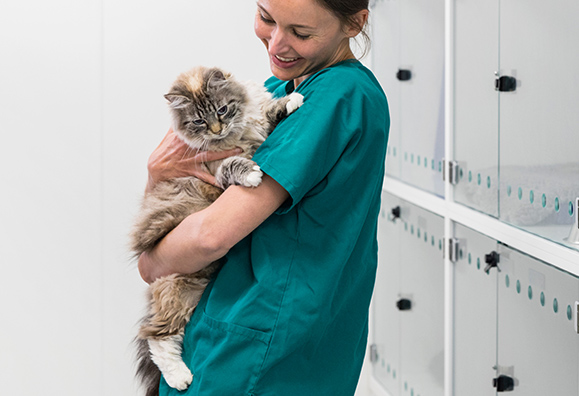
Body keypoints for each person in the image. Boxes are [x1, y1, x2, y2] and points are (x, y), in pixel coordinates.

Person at [138, 0, 390, 394]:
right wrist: (158, 173)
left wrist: (151, 260)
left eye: (301, 33)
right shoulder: (280, 89)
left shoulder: (337, 96)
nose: (276, 44)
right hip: (229, 331)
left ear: (355, 24)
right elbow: (178, 197)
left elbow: (209, 237)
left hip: (259, 352)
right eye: (266, 18)